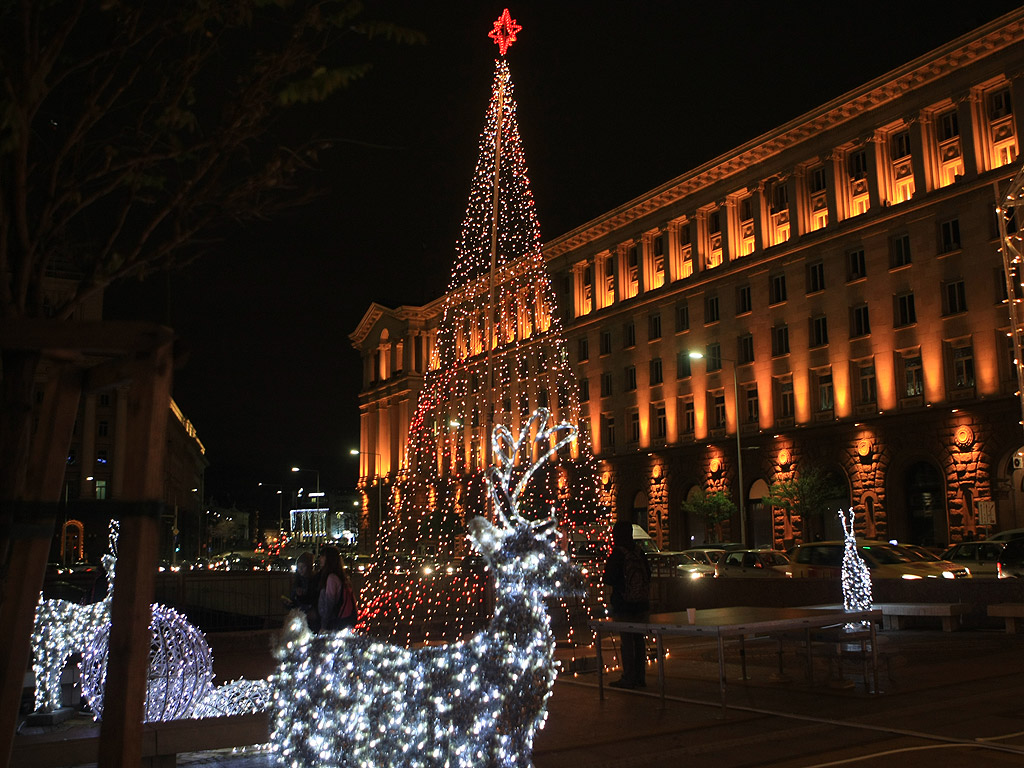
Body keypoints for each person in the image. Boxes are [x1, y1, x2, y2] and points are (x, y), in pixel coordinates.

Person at [603, 519, 651, 689]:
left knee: (627, 641)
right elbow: (649, 575)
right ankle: (640, 676)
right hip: (641, 604)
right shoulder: (639, 552)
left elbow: (608, 578)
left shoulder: (618, 553)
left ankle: (629, 676)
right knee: (639, 640)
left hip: (624, 604)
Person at [317, 545, 358, 631]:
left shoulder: (331, 578)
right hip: (343, 620)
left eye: (322, 556)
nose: (320, 559)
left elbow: (330, 603)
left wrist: (324, 625)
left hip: (335, 622)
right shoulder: (341, 577)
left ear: (329, 559)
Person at [285, 551, 318, 628]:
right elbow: (294, 600)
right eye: (299, 567)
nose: (300, 570)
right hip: (300, 615)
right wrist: (289, 603)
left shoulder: (315, 580)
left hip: (310, 616)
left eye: (303, 567)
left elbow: (313, 599)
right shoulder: (298, 580)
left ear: (309, 567)